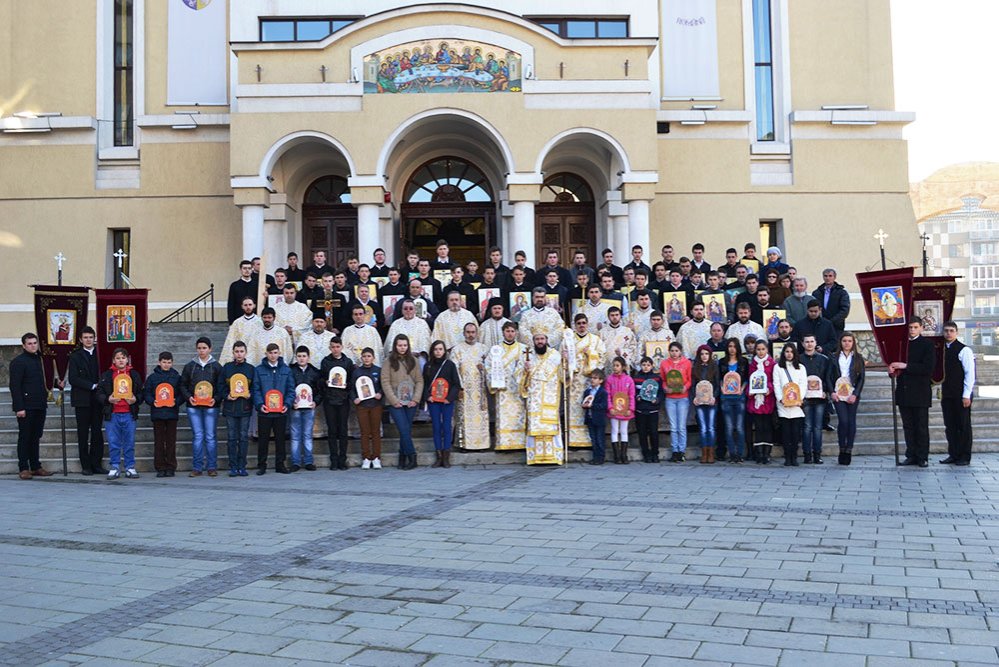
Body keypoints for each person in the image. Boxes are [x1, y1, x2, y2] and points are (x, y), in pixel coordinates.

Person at [10, 333, 53, 479]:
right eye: (29, 343)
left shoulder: (41, 360)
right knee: (25, 437)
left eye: (35, 343)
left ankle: (35, 466)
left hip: (40, 404)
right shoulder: (18, 362)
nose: (33, 346)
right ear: (23, 345)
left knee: (36, 436)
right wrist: (19, 407)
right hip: (26, 406)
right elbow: (15, 386)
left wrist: (56, 383)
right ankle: (23, 468)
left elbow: (44, 380)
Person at [98, 347, 143, 480]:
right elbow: (99, 392)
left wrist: (136, 399)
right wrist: (108, 399)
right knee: (113, 442)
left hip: (129, 413)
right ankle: (115, 467)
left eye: (123, 358)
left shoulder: (134, 374)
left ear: (127, 360)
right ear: (113, 360)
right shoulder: (107, 375)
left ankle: (130, 467)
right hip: (112, 414)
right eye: (118, 358)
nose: (121, 360)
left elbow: (141, 392)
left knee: (129, 442)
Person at [180, 337, 222, 477]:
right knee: (198, 436)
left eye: (204, 348)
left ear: (210, 349)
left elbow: (221, 386)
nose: (202, 350)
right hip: (194, 406)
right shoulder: (190, 366)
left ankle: (211, 467)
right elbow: (183, 385)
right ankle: (197, 467)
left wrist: (216, 399)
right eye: (199, 348)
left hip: (211, 407)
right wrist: (189, 397)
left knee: (210, 436)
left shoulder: (216, 366)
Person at [68, 326, 106, 475]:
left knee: (97, 432)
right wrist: (92, 385)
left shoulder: (101, 354)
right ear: (80, 339)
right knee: (83, 433)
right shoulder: (75, 356)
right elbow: (73, 378)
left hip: (98, 400)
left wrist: (101, 386)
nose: (88, 340)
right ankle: (86, 466)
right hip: (82, 400)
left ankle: (97, 464)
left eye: (91, 337)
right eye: (85, 337)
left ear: (94, 338)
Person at [521, 333, 565, 465]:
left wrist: (565, 362)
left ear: (546, 340)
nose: (540, 341)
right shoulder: (527, 355)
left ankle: (554, 457)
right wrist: (525, 371)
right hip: (534, 398)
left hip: (550, 396)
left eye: (542, 339)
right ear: (533, 341)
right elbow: (519, 378)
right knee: (535, 425)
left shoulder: (555, 355)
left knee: (551, 425)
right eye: (537, 339)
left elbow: (563, 376)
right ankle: (535, 458)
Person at [565, 314, 606, 451]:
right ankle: (574, 441)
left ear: (587, 324)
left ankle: (590, 442)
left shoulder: (595, 340)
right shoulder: (568, 340)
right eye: (579, 323)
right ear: (575, 325)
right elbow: (562, 361)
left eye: (584, 323)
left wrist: (591, 354)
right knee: (575, 409)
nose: (581, 325)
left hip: (590, 381)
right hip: (574, 382)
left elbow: (602, 357)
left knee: (591, 409)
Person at [253, 342, 295, 475]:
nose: (273, 355)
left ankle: (280, 464)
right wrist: (260, 405)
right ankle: (262, 465)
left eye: (275, 353)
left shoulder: (286, 370)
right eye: (270, 353)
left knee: (280, 439)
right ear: (266, 354)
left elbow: (291, 390)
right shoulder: (259, 370)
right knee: (263, 440)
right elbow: (256, 389)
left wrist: (287, 404)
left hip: (280, 412)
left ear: (279, 353)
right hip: (264, 412)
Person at [384, 334, 424, 470]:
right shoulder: (388, 361)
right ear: (395, 346)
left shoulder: (414, 361)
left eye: (405, 345)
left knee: (405, 430)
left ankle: (402, 456)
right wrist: (394, 400)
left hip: (410, 401)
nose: (402, 348)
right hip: (395, 402)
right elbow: (385, 381)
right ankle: (412, 457)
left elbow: (419, 381)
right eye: (400, 345)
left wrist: (415, 399)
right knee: (403, 428)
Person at [939, 321, 976, 466]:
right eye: (946, 331)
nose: (948, 333)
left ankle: (965, 456)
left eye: (951, 331)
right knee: (950, 425)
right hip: (947, 393)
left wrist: (966, 394)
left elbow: (970, 374)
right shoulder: (942, 350)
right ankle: (953, 454)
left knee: (963, 425)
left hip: (961, 394)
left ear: (956, 332)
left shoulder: (964, 350)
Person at [488, 322, 528, 452]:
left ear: (516, 332)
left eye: (512, 331)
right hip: (503, 389)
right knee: (503, 416)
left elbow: (528, 367)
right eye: (507, 331)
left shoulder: (524, 349)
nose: (510, 334)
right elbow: (488, 367)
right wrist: (494, 381)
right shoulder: (496, 349)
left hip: (517, 388)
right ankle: (504, 444)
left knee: (519, 415)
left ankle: (520, 443)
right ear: (503, 332)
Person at [451, 322, 489, 451]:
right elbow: (454, 370)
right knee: (463, 416)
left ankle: (482, 444)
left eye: (473, 332)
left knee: (481, 417)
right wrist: (459, 387)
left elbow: (492, 368)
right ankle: (464, 444)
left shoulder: (484, 349)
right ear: (464, 333)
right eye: (468, 332)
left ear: (477, 333)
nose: (470, 335)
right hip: (464, 390)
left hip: (480, 390)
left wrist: (484, 368)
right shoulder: (457, 349)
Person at [828, 331, 865, 466]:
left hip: (852, 393)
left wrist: (855, 394)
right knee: (843, 421)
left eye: (849, 341)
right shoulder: (833, 357)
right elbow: (828, 376)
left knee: (851, 421)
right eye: (844, 341)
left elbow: (861, 378)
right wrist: (832, 392)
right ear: (840, 342)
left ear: (853, 343)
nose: (847, 343)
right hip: (838, 393)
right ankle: (841, 448)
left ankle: (849, 449)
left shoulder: (858, 358)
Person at [219, 340, 254, 477]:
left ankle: (242, 466)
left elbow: (255, 386)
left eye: (241, 351)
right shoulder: (226, 368)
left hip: (245, 408)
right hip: (230, 408)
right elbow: (220, 385)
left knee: (243, 437)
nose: (239, 354)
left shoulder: (250, 369)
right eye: (237, 351)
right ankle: (233, 466)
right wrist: (226, 395)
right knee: (232, 437)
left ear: (246, 353)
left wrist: (250, 394)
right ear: (233, 353)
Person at [424, 340, 461, 467]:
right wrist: (428, 396)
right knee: (436, 426)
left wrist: (449, 398)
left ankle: (446, 456)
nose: (438, 352)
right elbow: (424, 383)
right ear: (432, 351)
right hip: (433, 402)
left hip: (446, 402)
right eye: (436, 349)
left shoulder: (450, 365)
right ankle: (438, 456)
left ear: (444, 351)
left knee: (446, 426)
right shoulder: (428, 366)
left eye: (440, 349)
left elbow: (456, 384)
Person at [144, 351, 181, 478]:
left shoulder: (176, 377)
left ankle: (171, 467)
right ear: (159, 362)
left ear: (172, 363)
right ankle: (160, 467)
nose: (166, 365)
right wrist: (152, 402)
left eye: (169, 362)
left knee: (171, 441)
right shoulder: (152, 378)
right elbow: (147, 393)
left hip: (171, 413)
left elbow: (181, 393)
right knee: (159, 442)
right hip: (157, 413)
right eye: (164, 362)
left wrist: (176, 401)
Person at [319, 337, 353, 470]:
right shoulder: (325, 362)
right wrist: (325, 382)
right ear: (330, 348)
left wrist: (346, 385)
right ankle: (333, 459)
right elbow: (320, 379)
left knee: (343, 430)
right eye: (333, 347)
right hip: (329, 400)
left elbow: (351, 381)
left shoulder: (347, 362)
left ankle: (342, 460)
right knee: (332, 430)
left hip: (343, 400)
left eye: (337, 347)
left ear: (342, 347)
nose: (335, 349)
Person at [289, 346, 323, 472]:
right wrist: (291, 402)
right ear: (296, 357)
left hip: (309, 408)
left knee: (307, 435)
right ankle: (296, 462)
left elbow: (319, 390)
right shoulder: (291, 371)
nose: (301, 359)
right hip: (296, 408)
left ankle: (308, 461)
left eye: (304, 356)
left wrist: (316, 402)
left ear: (308, 357)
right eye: (299, 356)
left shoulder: (314, 372)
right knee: (295, 435)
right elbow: (288, 388)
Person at [773, 342, 807, 466]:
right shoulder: (778, 367)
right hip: (783, 405)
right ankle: (787, 457)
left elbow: (803, 384)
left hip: (797, 405)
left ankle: (794, 456)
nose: (789, 354)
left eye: (791, 352)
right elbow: (776, 384)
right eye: (787, 351)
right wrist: (780, 399)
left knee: (796, 433)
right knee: (786, 433)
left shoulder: (801, 368)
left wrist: (799, 398)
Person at [800, 334, 832, 464]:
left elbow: (828, 377)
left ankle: (817, 454)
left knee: (818, 427)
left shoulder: (824, 359)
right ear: (802, 344)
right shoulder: (799, 359)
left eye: (811, 341)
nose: (809, 344)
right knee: (807, 426)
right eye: (807, 342)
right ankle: (807, 454)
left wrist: (826, 390)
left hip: (820, 398)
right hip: (805, 398)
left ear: (815, 343)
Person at [718, 338, 749, 464]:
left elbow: (746, 378)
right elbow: (719, 378)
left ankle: (739, 454)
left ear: (738, 348)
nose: (732, 349)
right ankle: (732, 454)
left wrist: (742, 389)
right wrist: (722, 388)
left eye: (734, 346)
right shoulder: (722, 362)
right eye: (730, 346)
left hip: (739, 397)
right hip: (726, 398)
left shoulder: (743, 362)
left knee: (740, 427)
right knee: (729, 427)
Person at [660, 342, 692, 462]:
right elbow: (663, 380)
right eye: (672, 351)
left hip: (682, 397)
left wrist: (686, 387)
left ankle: (682, 451)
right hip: (670, 398)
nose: (674, 353)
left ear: (680, 352)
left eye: (676, 351)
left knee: (681, 426)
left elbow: (689, 379)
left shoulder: (687, 363)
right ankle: (675, 451)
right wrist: (665, 388)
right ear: (669, 352)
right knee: (673, 427)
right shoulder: (664, 363)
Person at [748, 339, 777, 464]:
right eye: (758, 349)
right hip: (756, 400)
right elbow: (750, 379)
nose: (760, 352)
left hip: (768, 399)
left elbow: (774, 380)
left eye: (763, 349)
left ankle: (767, 453)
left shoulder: (772, 363)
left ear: (767, 350)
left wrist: (769, 388)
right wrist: (750, 390)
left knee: (767, 427)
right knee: (759, 427)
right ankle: (759, 454)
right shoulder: (752, 364)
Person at [691, 345, 719, 464]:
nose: (704, 356)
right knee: (703, 428)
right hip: (700, 402)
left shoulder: (714, 367)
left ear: (710, 355)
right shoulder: (695, 368)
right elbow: (693, 385)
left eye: (706, 354)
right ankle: (704, 453)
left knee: (711, 427)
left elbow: (717, 384)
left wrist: (714, 397)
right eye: (702, 354)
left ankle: (711, 453)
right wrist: (695, 397)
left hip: (711, 402)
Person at [633, 356, 662, 463]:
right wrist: (637, 397)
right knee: (642, 433)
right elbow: (633, 392)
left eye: (648, 365)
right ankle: (646, 454)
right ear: (640, 366)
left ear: (652, 366)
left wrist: (657, 400)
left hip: (653, 410)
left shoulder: (657, 378)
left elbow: (661, 392)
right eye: (644, 365)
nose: (646, 367)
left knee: (654, 433)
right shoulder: (636, 378)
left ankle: (655, 454)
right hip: (640, 410)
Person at [220, 297, 262, 364]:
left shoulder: (260, 322)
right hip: (241, 355)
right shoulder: (237, 323)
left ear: (254, 305)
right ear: (242, 306)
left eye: (250, 305)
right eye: (245, 305)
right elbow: (231, 341)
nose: (248, 307)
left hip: (256, 354)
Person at [582, 369, 609, 464]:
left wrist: (592, 405)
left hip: (599, 419)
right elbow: (584, 402)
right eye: (591, 378)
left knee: (599, 439)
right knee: (593, 439)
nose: (592, 380)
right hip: (590, 418)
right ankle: (595, 457)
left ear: (601, 380)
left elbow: (604, 406)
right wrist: (584, 405)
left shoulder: (603, 392)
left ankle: (600, 458)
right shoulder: (587, 392)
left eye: (595, 378)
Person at [599, 306, 635, 374]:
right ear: (608, 317)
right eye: (612, 315)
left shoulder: (627, 331)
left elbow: (633, 348)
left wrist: (622, 352)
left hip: (623, 364)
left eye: (617, 315)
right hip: (607, 365)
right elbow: (599, 350)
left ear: (620, 316)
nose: (615, 317)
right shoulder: (602, 332)